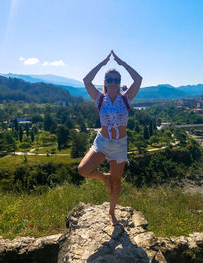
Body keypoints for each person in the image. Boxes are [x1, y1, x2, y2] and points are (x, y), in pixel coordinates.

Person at [78, 50, 142, 226]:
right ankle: (103, 178)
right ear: (105, 82)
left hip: (120, 144)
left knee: (116, 181)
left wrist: (123, 63)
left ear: (119, 83)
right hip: (103, 142)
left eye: (116, 80)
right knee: (83, 169)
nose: (113, 83)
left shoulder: (126, 98)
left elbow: (138, 80)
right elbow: (86, 81)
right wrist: (103, 63)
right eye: (110, 80)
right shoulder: (99, 98)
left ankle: (112, 212)